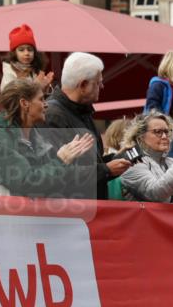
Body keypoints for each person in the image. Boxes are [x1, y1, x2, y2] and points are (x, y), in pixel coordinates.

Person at [0, 79, 94, 197]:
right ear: (24, 103)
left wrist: (70, 158)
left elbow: (49, 181)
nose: (46, 104)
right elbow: (26, 181)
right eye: (41, 99)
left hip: (27, 215)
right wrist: (61, 160)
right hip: (5, 215)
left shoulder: (35, 135)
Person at [44, 52, 131, 199]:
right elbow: (59, 176)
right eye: (97, 82)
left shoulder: (83, 111)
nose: (102, 86)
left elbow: (89, 162)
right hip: (72, 212)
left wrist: (116, 158)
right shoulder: (52, 115)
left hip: (89, 210)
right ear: (83, 85)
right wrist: (106, 170)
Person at [1, 24, 53, 91]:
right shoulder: (10, 70)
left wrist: (45, 88)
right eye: (21, 50)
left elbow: (38, 96)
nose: (26, 53)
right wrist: (35, 86)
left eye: (30, 49)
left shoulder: (34, 69)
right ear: (14, 53)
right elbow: (9, 96)